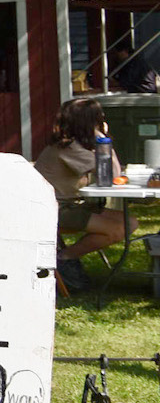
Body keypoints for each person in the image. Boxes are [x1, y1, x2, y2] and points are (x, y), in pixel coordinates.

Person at [33, 96, 126, 292]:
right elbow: (113, 173)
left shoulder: (73, 144)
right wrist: (103, 138)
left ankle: (67, 257)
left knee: (130, 223)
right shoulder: (68, 148)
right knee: (116, 230)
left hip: (70, 204)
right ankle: (64, 258)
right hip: (54, 209)